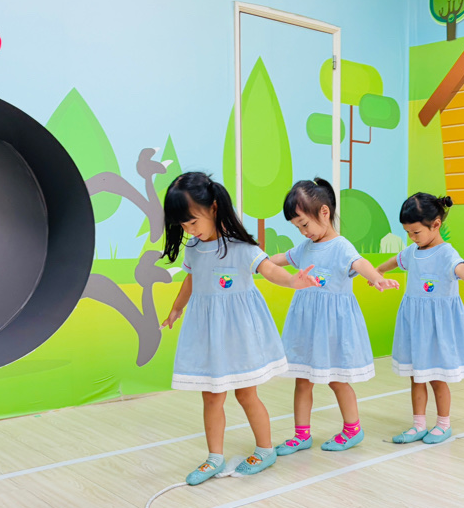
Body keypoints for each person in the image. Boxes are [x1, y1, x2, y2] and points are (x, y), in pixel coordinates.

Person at [160, 172, 318, 485]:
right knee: (211, 397)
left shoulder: (241, 246)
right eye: (183, 225)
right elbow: (191, 279)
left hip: (239, 333)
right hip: (209, 334)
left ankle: (265, 450)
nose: (188, 230)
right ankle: (214, 458)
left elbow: (268, 269)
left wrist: (292, 280)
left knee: (246, 394)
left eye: (192, 222)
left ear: (214, 207)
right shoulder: (194, 248)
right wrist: (177, 307)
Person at [268, 179, 399, 455]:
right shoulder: (305, 247)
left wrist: (377, 278)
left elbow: (360, 263)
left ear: (324, 212)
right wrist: (257, 262)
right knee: (302, 379)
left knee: (337, 379)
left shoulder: (341, 246)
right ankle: (301, 435)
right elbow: (282, 257)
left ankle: (352, 429)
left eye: (304, 224)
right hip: (306, 327)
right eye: (297, 227)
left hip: (331, 328)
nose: (303, 232)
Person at [375, 193, 464, 444]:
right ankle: (418, 424)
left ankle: (443, 424)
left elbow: (461, 268)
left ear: (436, 224)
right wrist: (377, 271)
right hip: (415, 324)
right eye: (408, 233)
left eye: (416, 232)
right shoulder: (413, 251)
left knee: (436, 378)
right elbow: (396, 260)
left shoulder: (446, 253)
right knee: (416, 376)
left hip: (436, 327)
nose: (412, 237)